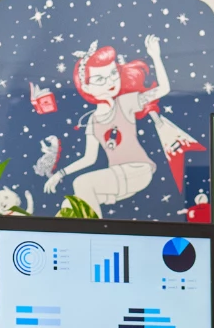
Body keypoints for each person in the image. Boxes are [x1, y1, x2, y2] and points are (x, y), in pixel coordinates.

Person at [44, 35, 171, 210]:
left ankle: (94, 236)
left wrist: (156, 56)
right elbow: (89, 159)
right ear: (86, 87)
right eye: (99, 79)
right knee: (70, 204)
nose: (110, 81)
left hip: (137, 170)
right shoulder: (92, 121)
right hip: (118, 178)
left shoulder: (124, 103)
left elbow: (163, 89)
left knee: (82, 183)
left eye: (112, 74)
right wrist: (60, 174)